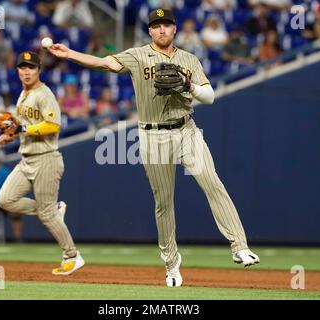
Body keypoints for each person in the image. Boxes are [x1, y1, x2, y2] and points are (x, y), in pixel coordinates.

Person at [47, 8, 260, 287]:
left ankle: (239, 246)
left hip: (186, 130)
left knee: (212, 182)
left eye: (166, 25)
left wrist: (188, 85)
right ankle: (171, 264)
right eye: (156, 26)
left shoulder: (188, 59)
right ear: (150, 31)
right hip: (152, 134)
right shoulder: (137, 55)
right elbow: (105, 63)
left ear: (174, 29)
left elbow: (208, 96)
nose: (161, 30)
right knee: (163, 202)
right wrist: (71, 54)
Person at [0, 51, 84, 275]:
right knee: (5, 200)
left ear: (38, 71)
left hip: (46, 159)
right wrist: (10, 135)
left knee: (46, 215)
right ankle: (52, 211)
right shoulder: (23, 95)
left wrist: (22, 129)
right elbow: (22, 125)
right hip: (26, 159)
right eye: (23, 67)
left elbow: (53, 125)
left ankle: (72, 256)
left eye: (31, 68)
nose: (26, 71)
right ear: (17, 71)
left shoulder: (44, 94)